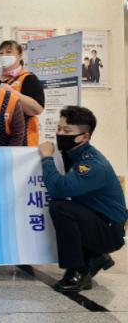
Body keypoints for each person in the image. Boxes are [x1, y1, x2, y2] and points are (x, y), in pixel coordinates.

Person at [38, 106, 127, 292]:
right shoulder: (71, 154)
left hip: (109, 230)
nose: (60, 134)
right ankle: (95, 257)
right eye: (59, 129)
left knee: (61, 207)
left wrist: (46, 158)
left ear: (84, 137)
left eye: (67, 131)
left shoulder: (93, 164)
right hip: (97, 220)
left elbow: (58, 189)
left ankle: (78, 271)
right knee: (67, 207)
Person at [0, 40, 45, 146]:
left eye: (9, 52)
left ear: (20, 56)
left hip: (24, 140)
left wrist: (11, 93)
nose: (4, 56)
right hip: (2, 140)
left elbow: (37, 109)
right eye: (1, 53)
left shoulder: (29, 78)